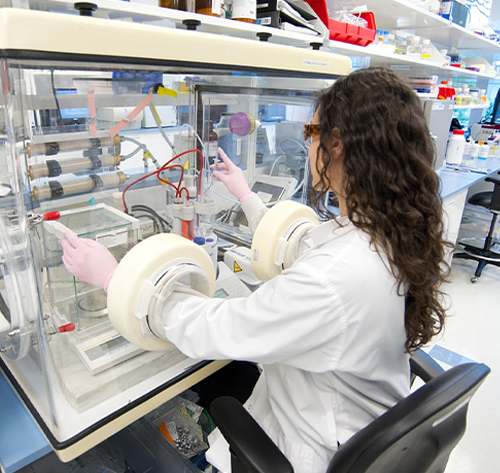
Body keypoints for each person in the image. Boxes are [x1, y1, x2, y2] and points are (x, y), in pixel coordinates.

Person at [59, 68, 450, 473]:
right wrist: (247, 196)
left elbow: (221, 328)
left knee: (218, 383)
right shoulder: (387, 232)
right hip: (359, 418)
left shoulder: (332, 279)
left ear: (338, 145)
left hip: (311, 444)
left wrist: (115, 279)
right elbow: (303, 247)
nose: (305, 140)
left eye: (311, 130)